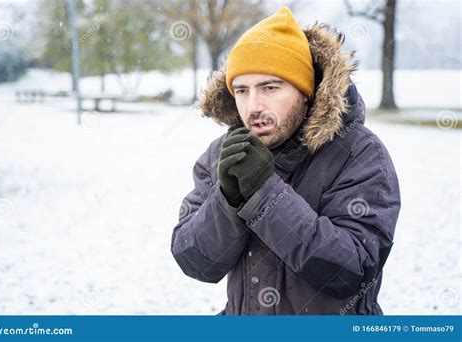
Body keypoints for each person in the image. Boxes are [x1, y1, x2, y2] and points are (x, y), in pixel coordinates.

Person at [171, 7, 401, 315]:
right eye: (242, 90)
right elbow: (195, 262)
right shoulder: (222, 154)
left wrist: (263, 192)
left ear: (305, 91)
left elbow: (352, 271)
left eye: (270, 87)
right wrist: (226, 199)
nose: (253, 106)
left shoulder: (360, 154)